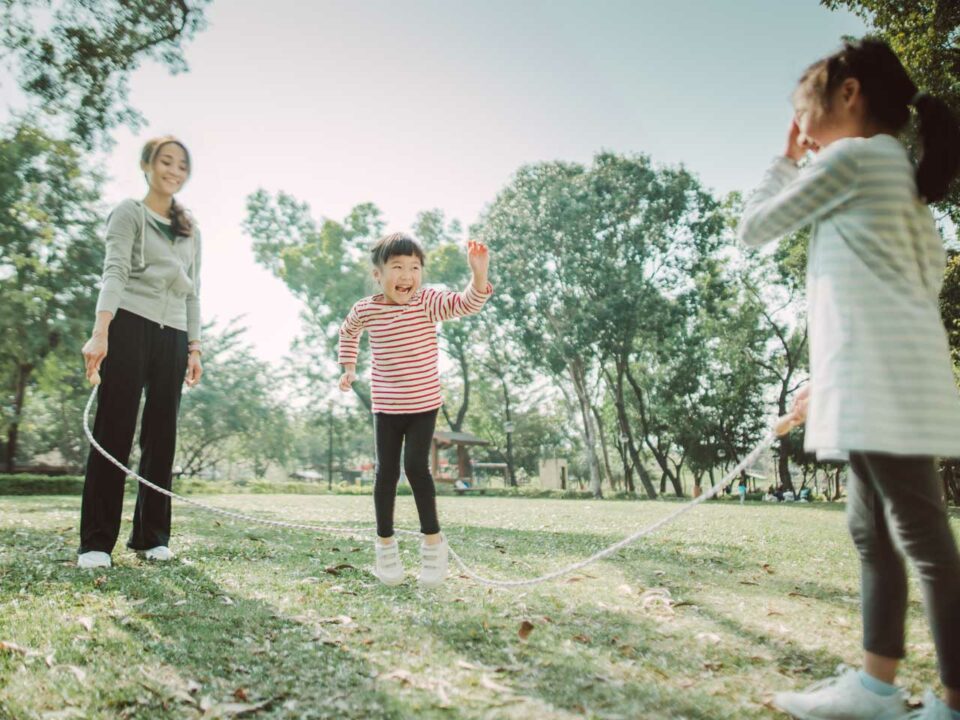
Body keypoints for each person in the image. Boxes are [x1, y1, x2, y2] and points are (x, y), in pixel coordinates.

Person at [738, 37, 960, 720]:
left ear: (849, 93)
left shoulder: (856, 159)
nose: (800, 127)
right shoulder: (901, 181)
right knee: (873, 532)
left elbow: (754, 228)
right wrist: (832, 377)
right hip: (882, 378)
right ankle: (875, 689)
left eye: (802, 109)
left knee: (922, 540)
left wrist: (784, 161)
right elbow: (902, 291)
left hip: (882, 383)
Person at [338, 233, 492, 587]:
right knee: (386, 473)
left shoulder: (428, 301)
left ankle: (433, 544)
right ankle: (385, 545)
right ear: (378, 274)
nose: (407, 276)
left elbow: (467, 303)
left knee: (416, 468)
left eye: (414, 267)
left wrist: (478, 273)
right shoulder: (366, 309)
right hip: (386, 405)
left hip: (423, 403)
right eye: (397, 267)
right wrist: (348, 367)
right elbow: (348, 331)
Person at [78, 136, 202, 570]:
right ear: (147, 165)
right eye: (166, 162)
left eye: (181, 165)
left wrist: (194, 346)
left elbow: (194, 292)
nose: (174, 171)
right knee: (114, 428)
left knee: (162, 435)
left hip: (174, 335)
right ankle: (96, 543)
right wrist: (101, 332)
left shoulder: (191, 230)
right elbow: (114, 271)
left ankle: (152, 536)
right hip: (130, 323)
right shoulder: (129, 212)